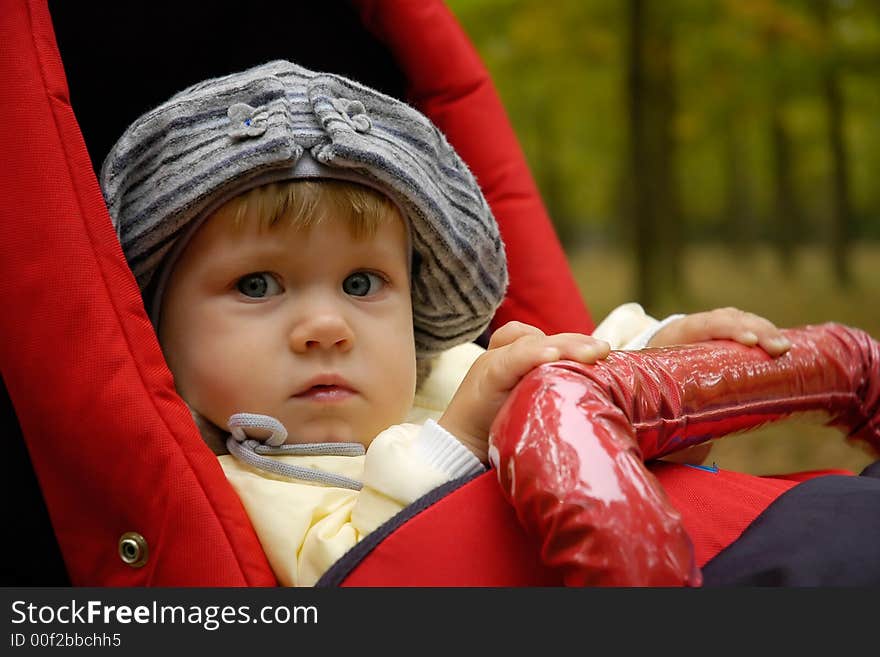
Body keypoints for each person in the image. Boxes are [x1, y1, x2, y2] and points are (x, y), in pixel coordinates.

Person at [100, 59, 791, 586]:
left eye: (362, 282)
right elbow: (357, 574)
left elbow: (574, 378)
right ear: (159, 327)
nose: (325, 327)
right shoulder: (235, 489)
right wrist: (457, 437)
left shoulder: (448, 370)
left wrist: (646, 357)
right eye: (257, 284)